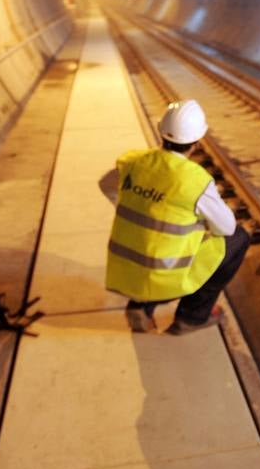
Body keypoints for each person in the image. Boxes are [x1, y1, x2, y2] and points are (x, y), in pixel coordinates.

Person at [105, 99, 250, 335]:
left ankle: (141, 305)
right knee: (238, 239)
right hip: (165, 273)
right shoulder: (194, 180)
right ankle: (191, 318)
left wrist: (142, 205)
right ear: (197, 141)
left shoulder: (133, 162)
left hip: (125, 270)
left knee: (161, 243)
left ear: (161, 131)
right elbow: (227, 227)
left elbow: (108, 186)